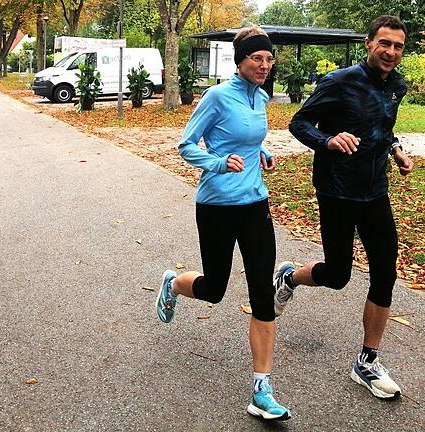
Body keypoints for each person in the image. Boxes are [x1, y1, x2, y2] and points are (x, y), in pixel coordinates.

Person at [273, 15, 414, 400]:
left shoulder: (396, 86)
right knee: (337, 275)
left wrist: (396, 150)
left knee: (385, 272)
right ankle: (289, 278)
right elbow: (299, 123)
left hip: (375, 190)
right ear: (369, 43)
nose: (390, 52)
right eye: (384, 43)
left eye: (398, 46)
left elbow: (382, 130)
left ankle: (367, 361)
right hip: (337, 190)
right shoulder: (338, 81)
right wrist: (328, 140)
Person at [155, 27, 291, 421]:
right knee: (214, 288)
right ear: (240, 61)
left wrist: (260, 151)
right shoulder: (217, 97)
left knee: (262, 296)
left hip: (255, 204)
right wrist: (217, 162)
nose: (264, 65)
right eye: (256, 59)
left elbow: (247, 138)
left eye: (268, 59)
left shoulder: (261, 96)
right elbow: (186, 144)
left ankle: (262, 389)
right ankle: (174, 283)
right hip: (216, 205)